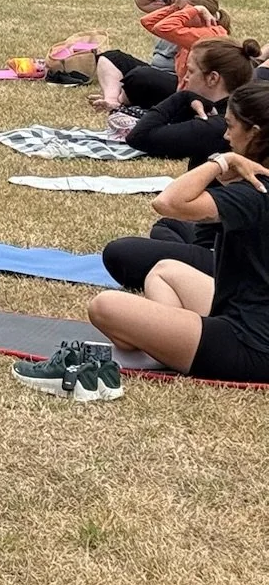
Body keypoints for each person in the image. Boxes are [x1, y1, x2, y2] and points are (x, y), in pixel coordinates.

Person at [86, 82, 269, 382]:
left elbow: (168, 202)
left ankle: (169, 343)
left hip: (251, 345)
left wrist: (223, 160)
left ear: (255, 133)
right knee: (164, 270)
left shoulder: (256, 193)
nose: (225, 136)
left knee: (104, 306)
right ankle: (169, 340)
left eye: (231, 127)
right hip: (247, 313)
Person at [94, 0, 233, 112]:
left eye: (182, 11)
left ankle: (120, 102)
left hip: (193, 94)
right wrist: (176, 5)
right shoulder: (193, 28)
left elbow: (162, 27)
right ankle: (112, 99)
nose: (178, 14)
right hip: (180, 87)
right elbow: (147, 22)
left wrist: (194, 9)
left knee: (139, 76)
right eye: (178, 10)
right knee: (114, 58)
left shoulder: (206, 34)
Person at [118, 37, 259, 163]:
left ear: (213, 78)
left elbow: (138, 137)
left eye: (191, 71)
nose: (185, 78)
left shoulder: (216, 126)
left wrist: (183, 96)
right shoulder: (236, 111)